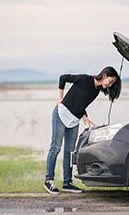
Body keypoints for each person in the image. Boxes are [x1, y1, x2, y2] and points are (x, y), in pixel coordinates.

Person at [44, 66, 122, 194]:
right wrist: (60, 98)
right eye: (111, 81)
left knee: (70, 151)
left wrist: (85, 116)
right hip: (61, 114)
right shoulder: (84, 79)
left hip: (74, 119)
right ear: (104, 75)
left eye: (112, 83)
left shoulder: (96, 91)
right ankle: (49, 180)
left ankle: (67, 183)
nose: (110, 85)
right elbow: (63, 78)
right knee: (56, 147)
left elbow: (81, 102)